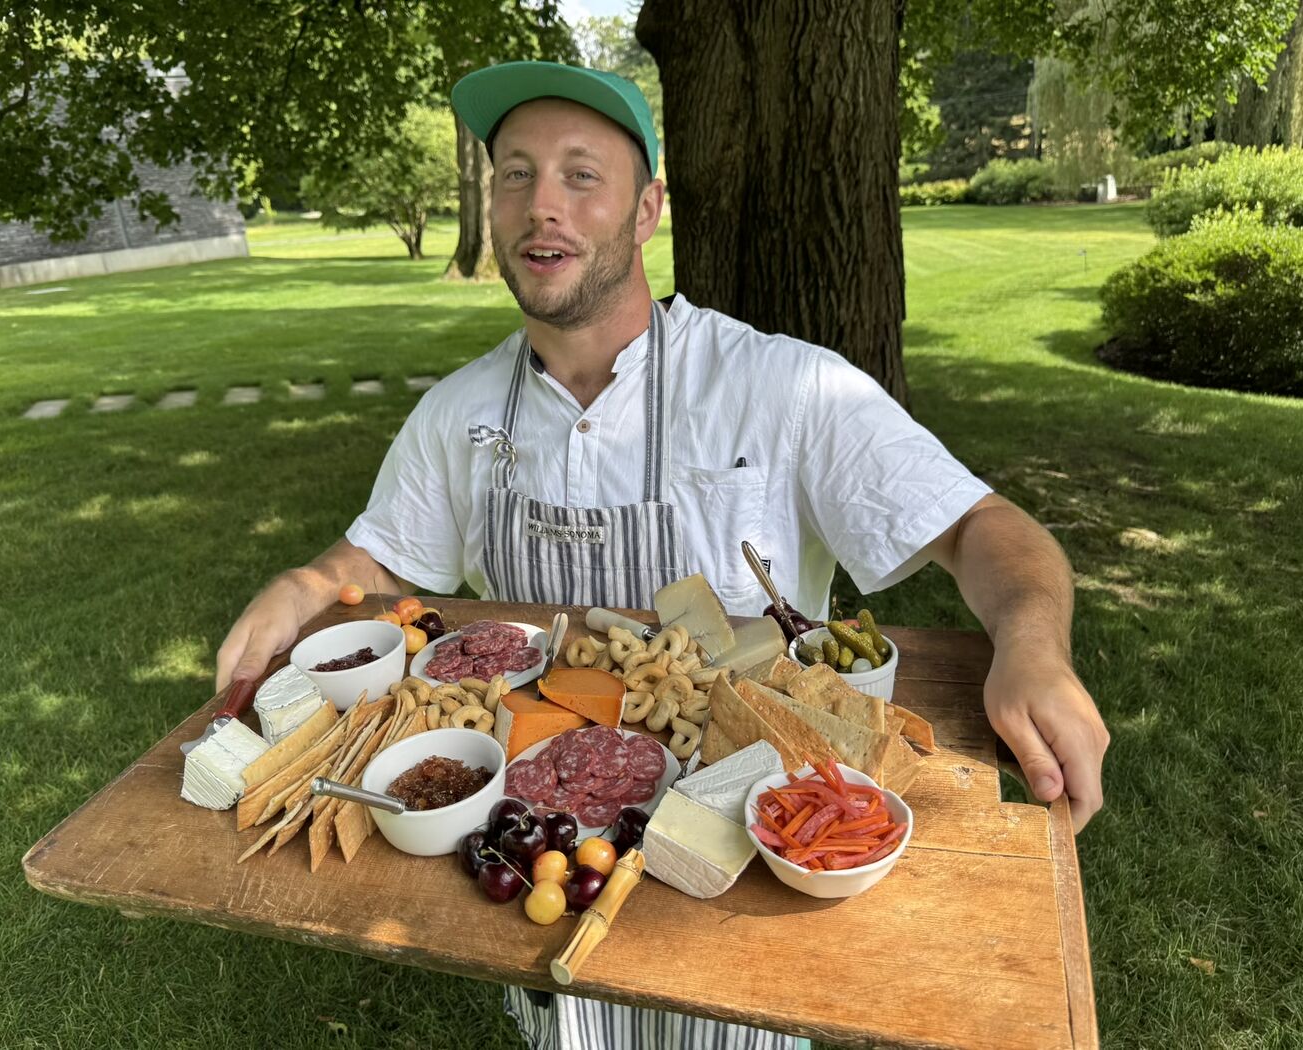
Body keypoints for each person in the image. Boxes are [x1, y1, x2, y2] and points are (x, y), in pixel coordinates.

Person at [217, 61, 1109, 1050]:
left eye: (580, 174)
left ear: (647, 210)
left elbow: (981, 528)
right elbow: (376, 559)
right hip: (540, 855)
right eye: (514, 174)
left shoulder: (780, 387)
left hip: (744, 868)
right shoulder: (457, 414)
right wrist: (304, 584)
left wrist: (1033, 646)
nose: (541, 204)